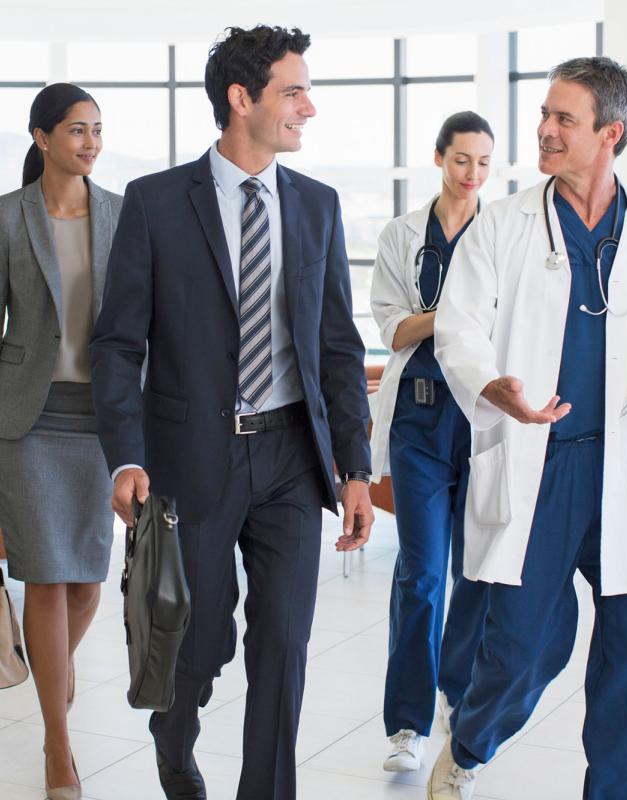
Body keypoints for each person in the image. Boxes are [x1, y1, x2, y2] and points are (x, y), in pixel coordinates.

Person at [89, 25, 374, 800]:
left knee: (284, 645)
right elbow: (117, 344)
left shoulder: (316, 206)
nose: (309, 108)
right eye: (294, 91)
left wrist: (354, 467)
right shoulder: (155, 203)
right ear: (240, 99)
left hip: (291, 458)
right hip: (190, 463)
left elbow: (338, 349)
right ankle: (174, 750)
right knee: (195, 645)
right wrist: (126, 455)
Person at [426, 57, 627, 800]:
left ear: (609, 133)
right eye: (545, 115)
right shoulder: (503, 227)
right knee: (522, 649)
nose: (544, 131)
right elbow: (458, 331)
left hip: (622, 465)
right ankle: (468, 744)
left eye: (564, 120)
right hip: (540, 464)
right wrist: (493, 385)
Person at [0, 82, 121, 800]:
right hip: (27, 420)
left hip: (100, 419)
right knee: (45, 575)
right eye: (77, 130)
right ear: (42, 137)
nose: (91, 143)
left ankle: (54, 669)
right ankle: (57, 740)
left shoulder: (121, 215)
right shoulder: (8, 219)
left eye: (98, 131)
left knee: (88, 582)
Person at [369, 111, 494, 772]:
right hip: (419, 422)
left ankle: (459, 697)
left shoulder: (503, 234)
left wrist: (442, 319)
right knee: (420, 571)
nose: (472, 175)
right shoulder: (400, 235)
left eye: (483, 163)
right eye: (461, 160)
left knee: (474, 571)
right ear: (439, 158)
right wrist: (454, 314)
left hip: (481, 421)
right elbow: (393, 329)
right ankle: (408, 724)